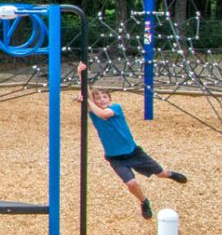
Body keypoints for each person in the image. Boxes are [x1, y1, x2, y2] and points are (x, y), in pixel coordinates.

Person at [78, 62, 188, 219]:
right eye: (98, 98)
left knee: (160, 173)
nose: (101, 100)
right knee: (131, 183)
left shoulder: (115, 108)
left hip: (134, 153)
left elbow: (103, 114)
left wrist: (86, 101)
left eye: (104, 97)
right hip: (115, 158)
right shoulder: (93, 113)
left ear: (110, 99)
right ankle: (144, 201)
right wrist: (80, 74)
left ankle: (169, 174)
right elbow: (87, 95)